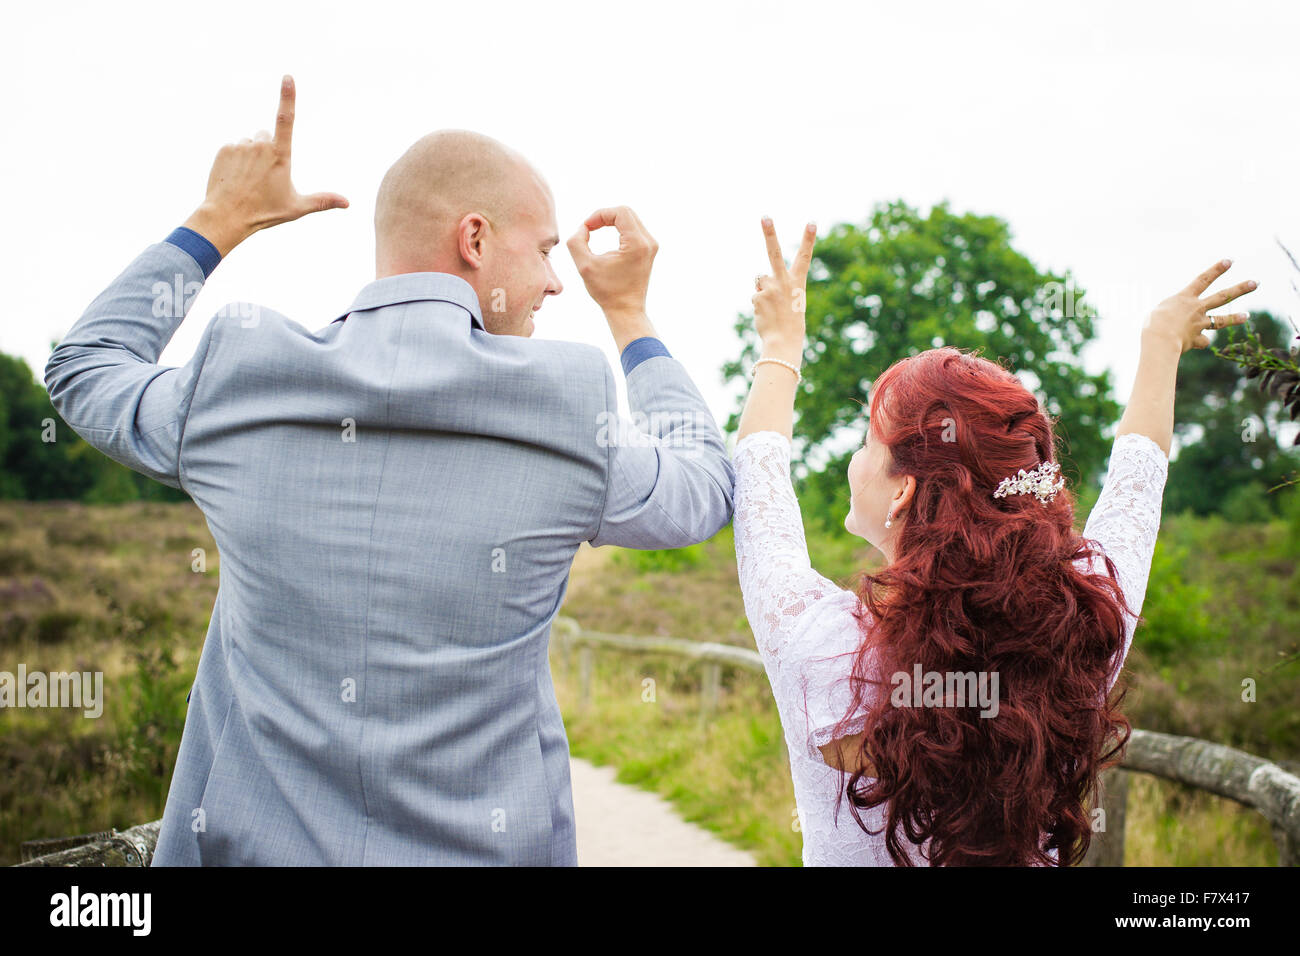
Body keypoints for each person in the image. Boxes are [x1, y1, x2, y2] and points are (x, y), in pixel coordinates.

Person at [43, 76, 735, 865]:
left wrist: (216, 223)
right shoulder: (570, 410)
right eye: (544, 251)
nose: (553, 281)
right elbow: (708, 486)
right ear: (474, 240)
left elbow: (85, 366)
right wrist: (629, 315)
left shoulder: (243, 378)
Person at [732, 217, 1256, 865]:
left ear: (902, 492)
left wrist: (781, 344)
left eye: (868, 442)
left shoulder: (818, 647)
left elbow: (758, 478)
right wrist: (1161, 345)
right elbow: (1137, 483)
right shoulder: (1086, 623)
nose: (854, 459)